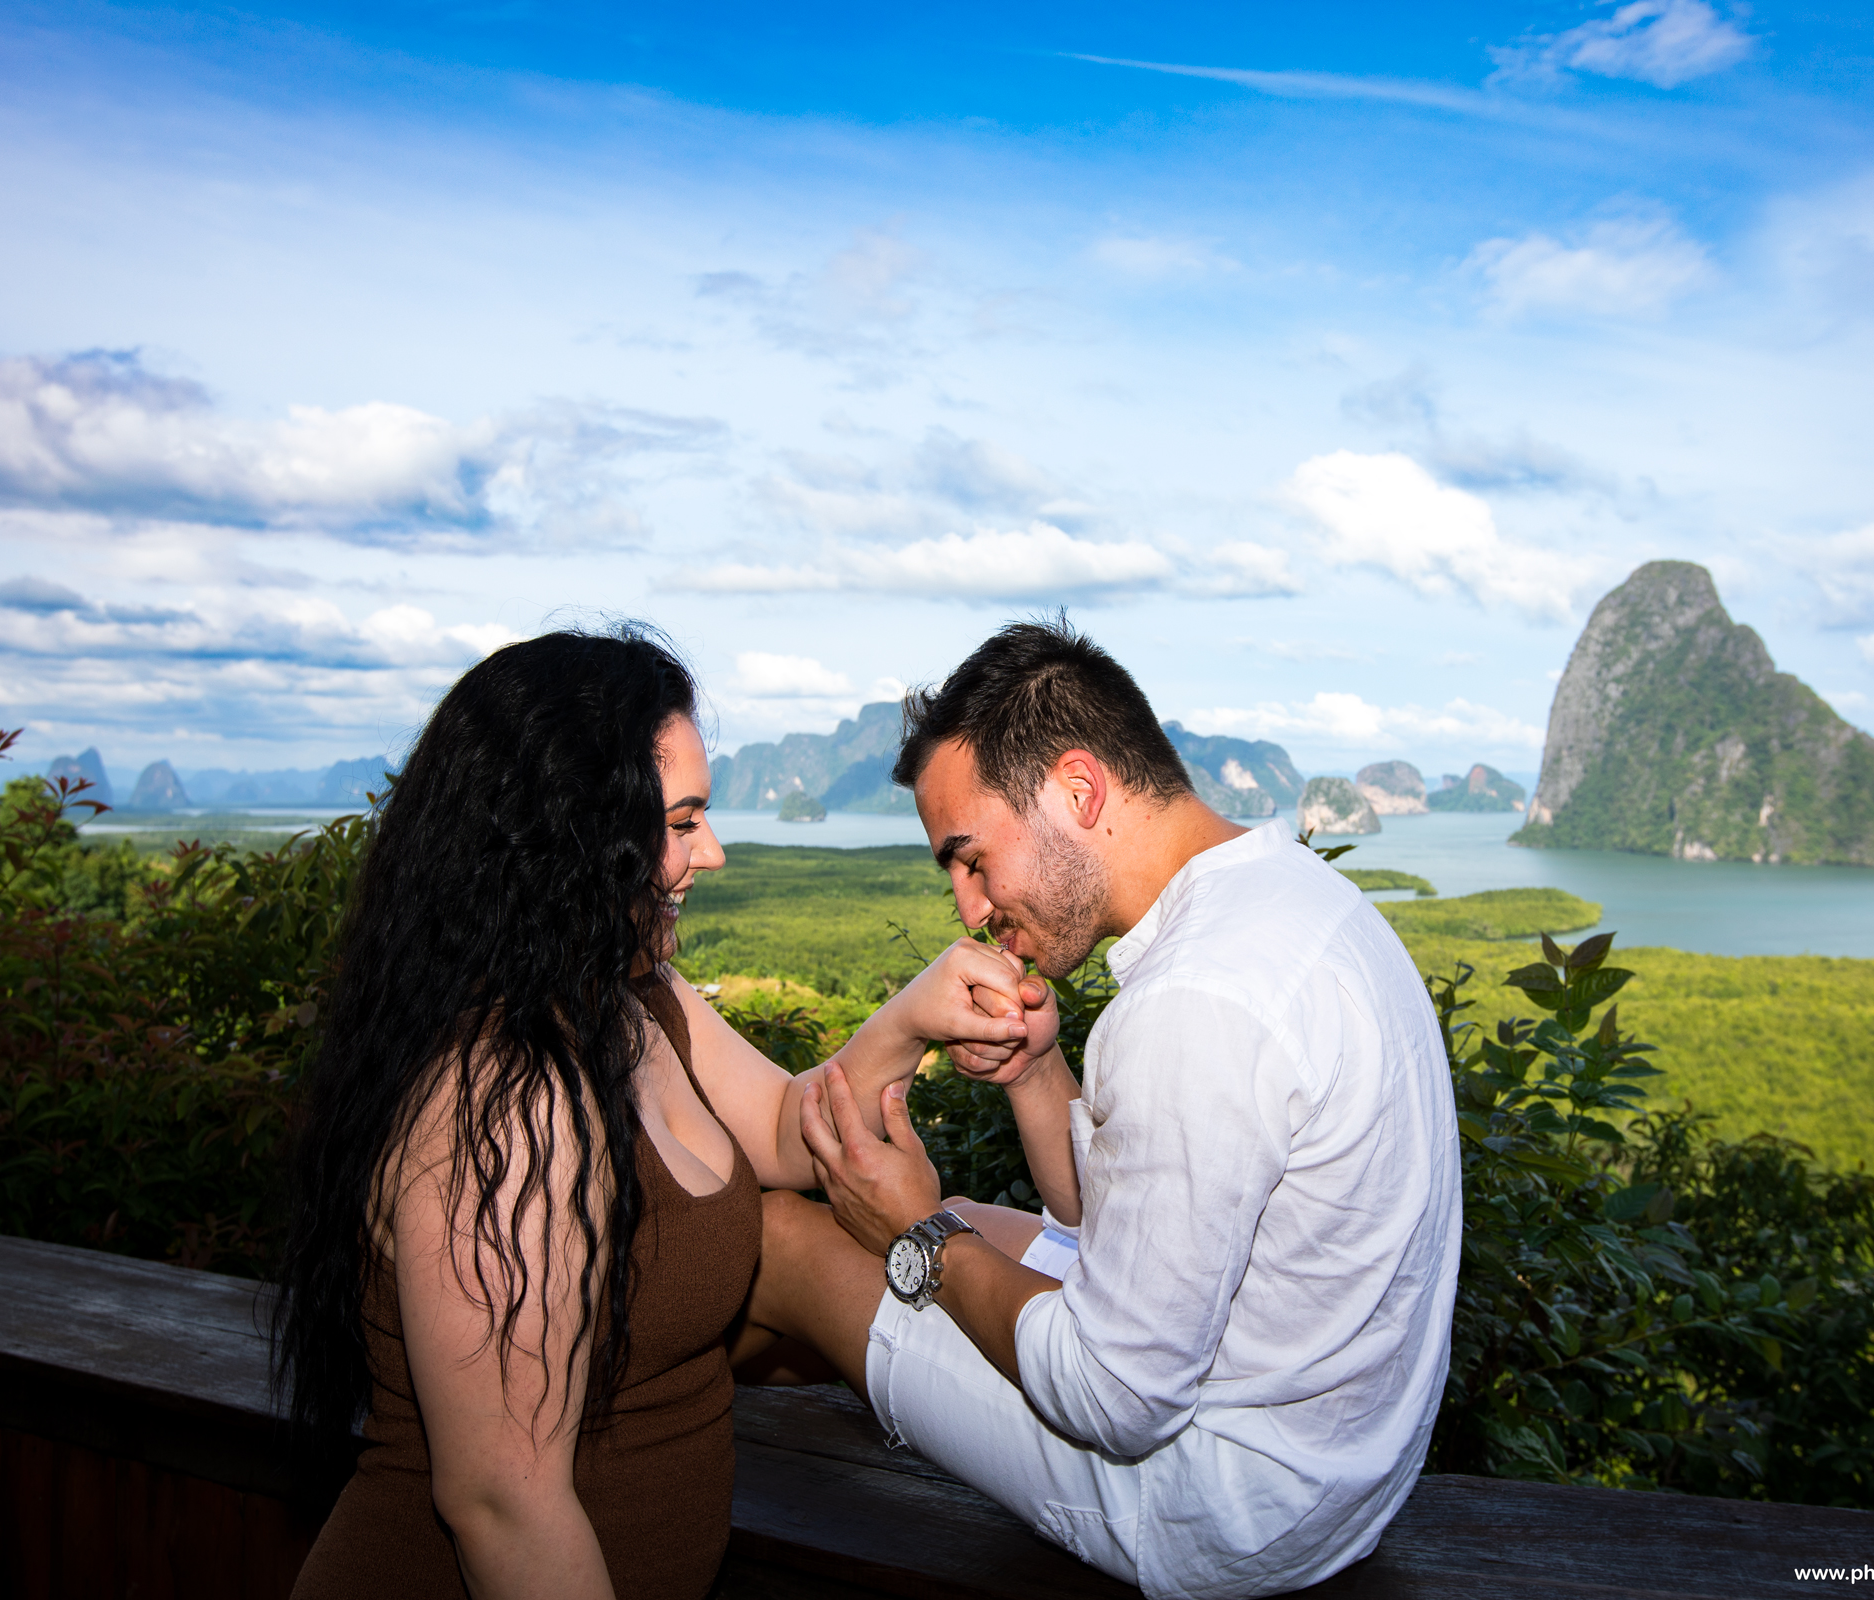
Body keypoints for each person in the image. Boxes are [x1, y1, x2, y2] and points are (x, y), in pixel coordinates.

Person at [275, 627, 1037, 1600]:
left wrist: (913, 1012)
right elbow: (504, 1502)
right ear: (572, 831)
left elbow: (784, 1130)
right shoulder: (501, 1100)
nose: (710, 852)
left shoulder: (640, 1001)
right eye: (681, 822)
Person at [746, 618, 1462, 1600]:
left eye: (971, 857)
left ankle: (657, 1409)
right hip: (1337, 1471)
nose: (968, 908)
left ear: (1078, 790)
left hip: (1216, 1506)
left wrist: (916, 1232)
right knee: (969, 1228)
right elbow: (1134, 1227)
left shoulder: (1193, 1000)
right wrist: (1041, 1075)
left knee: (788, 1234)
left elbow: (1116, 1396)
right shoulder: (1288, 899)